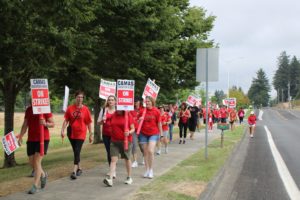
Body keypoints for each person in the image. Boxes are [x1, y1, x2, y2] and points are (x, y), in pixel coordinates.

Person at [18, 105, 54, 194]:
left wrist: (45, 123)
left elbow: (52, 124)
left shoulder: (45, 108)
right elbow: (25, 124)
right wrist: (21, 136)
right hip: (31, 139)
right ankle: (43, 174)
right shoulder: (29, 110)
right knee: (31, 163)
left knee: (37, 162)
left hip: (43, 138)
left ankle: (35, 185)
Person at [61, 90, 93, 180]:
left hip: (81, 133)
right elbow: (66, 120)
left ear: (83, 99)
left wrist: (91, 134)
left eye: (81, 97)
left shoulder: (85, 109)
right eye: (78, 97)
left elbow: (89, 122)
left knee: (77, 149)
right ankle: (80, 168)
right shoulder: (70, 108)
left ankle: (74, 171)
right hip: (71, 132)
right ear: (75, 98)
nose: (80, 99)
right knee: (76, 151)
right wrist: (62, 130)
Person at [103, 110, 135, 187]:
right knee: (113, 160)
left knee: (127, 159)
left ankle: (129, 177)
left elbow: (133, 128)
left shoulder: (128, 115)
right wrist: (103, 118)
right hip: (114, 141)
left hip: (126, 141)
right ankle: (110, 179)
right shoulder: (113, 115)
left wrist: (129, 132)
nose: (118, 108)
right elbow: (105, 121)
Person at [138, 96, 163, 179]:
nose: (147, 103)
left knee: (151, 151)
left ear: (152, 102)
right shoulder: (142, 111)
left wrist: (161, 134)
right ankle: (147, 170)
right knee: (145, 152)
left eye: (149, 101)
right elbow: (135, 122)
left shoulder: (156, 111)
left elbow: (159, 123)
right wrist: (139, 120)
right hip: (143, 133)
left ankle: (151, 170)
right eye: (146, 101)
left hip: (153, 133)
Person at [97, 95, 116, 169]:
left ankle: (113, 169)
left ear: (115, 101)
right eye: (109, 100)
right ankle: (111, 168)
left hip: (115, 134)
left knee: (113, 152)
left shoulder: (118, 110)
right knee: (109, 152)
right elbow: (98, 122)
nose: (110, 101)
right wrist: (102, 120)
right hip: (106, 134)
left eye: (112, 100)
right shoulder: (104, 110)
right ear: (107, 101)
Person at [130, 97, 144, 168]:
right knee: (134, 145)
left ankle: (144, 156)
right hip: (134, 130)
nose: (136, 103)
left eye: (137, 101)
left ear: (139, 102)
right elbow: (130, 120)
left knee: (142, 145)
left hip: (142, 130)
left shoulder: (143, 109)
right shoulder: (131, 110)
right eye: (134, 102)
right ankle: (135, 161)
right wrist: (137, 121)